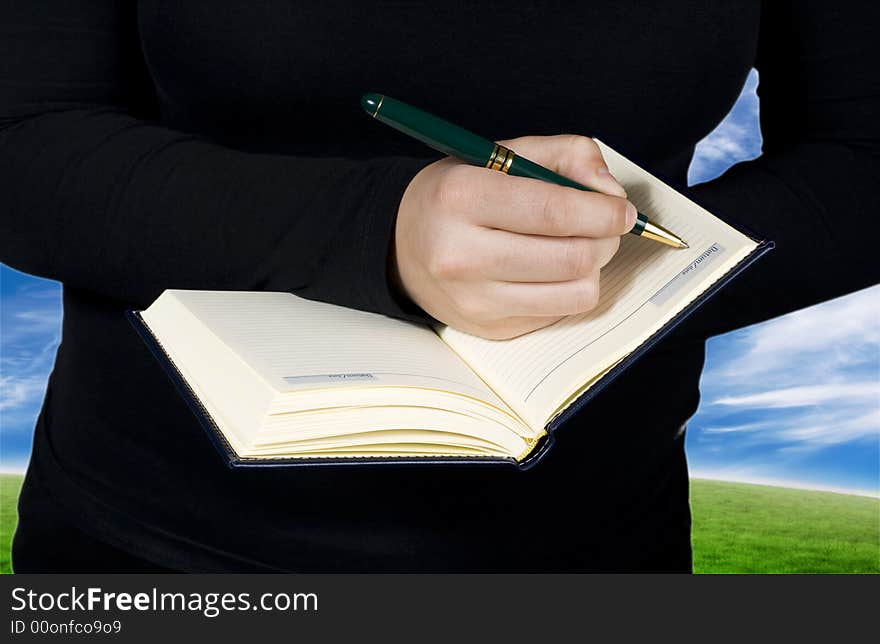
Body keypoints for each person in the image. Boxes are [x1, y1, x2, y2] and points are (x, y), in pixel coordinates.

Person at [2, 1, 877, 573]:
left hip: (598, 535)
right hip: (151, 537)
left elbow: (862, 162)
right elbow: (23, 139)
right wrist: (376, 228)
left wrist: (630, 275)